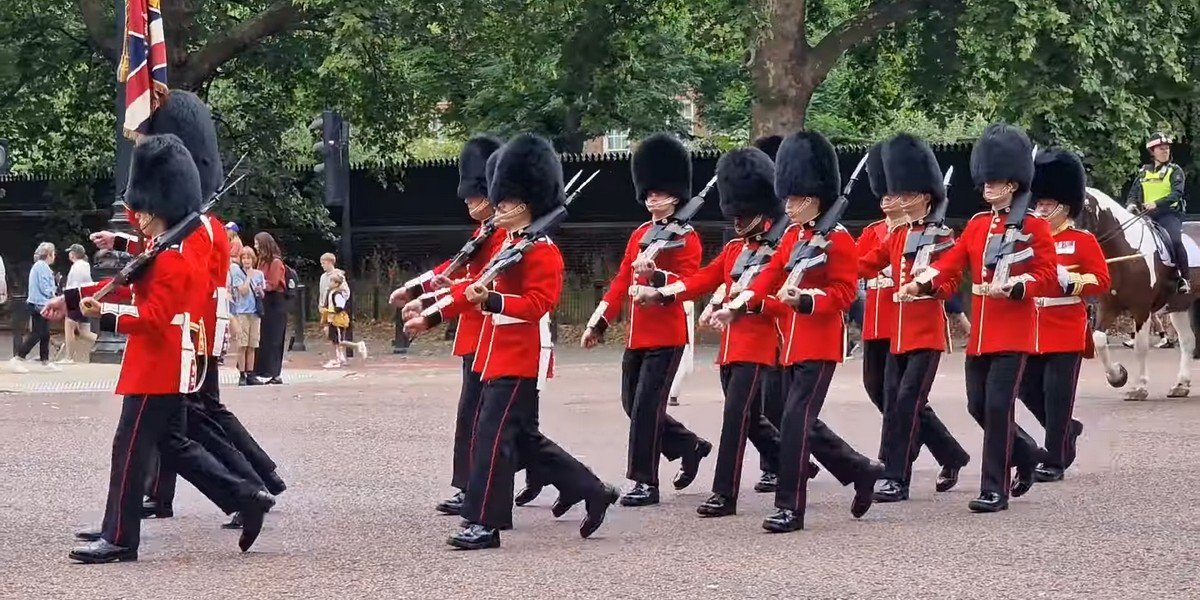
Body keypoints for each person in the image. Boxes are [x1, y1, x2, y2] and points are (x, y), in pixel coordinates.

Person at [52, 134, 275, 563]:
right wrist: (74, 300)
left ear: (156, 208)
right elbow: (127, 283)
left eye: (141, 211)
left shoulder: (174, 254)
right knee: (173, 444)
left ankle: (120, 537)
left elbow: (153, 316)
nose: (135, 218)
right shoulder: (168, 245)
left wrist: (102, 315)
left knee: (129, 449)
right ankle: (247, 497)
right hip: (164, 362)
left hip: (160, 365)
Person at [405, 133, 618, 550]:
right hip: (493, 355)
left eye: (504, 202)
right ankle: (593, 490)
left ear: (525, 203)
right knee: (522, 439)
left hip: (518, 358)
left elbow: (538, 304)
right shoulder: (509, 243)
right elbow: (472, 289)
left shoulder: (542, 251)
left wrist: (492, 300)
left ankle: (486, 523)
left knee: (492, 438)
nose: (496, 207)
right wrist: (430, 315)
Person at [719, 131, 883, 533]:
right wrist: (740, 303)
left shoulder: (839, 240)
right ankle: (859, 470)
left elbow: (844, 292)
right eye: (787, 199)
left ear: (814, 198)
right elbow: (770, 275)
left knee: (794, 422)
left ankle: (790, 507)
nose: (787, 207)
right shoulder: (792, 236)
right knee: (799, 421)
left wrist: (807, 300)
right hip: (788, 343)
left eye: (794, 200)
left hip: (820, 343)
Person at [901, 123, 1056, 513]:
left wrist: (1018, 286)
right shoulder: (977, 225)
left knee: (999, 408)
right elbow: (951, 263)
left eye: (996, 180)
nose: (987, 186)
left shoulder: (1035, 225)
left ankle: (994, 489)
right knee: (978, 406)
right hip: (982, 334)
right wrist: (922, 283)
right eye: (986, 180)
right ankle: (1027, 453)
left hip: (1014, 332)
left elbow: (1047, 274)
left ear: (1013, 184)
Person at [639, 146, 783, 518]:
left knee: (735, 419)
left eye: (744, 214)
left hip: (759, 346)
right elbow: (701, 279)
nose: (738, 220)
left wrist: (743, 306)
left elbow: (773, 298)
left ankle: (724, 493)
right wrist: (661, 289)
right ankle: (799, 462)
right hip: (730, 347)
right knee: (751, 420)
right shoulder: (735, 249)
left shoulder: (778, 251)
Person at [581, 133, 711, 508]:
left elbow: (688, 282)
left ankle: (644, 481)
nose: (653, 198)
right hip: (637, 335)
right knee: (631, 405)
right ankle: (690, 446)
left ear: (676, 196)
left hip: (667, 335)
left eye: (660, 193)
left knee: (646, 411)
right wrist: (599, 322)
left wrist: (656, 277)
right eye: (649, 193)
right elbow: (621, 280)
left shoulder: (687, 237)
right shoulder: (640, 234)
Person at [390, 135, 516, 517]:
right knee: (476, 419)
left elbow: (475, 284)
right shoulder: (485, 232)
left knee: (487, 422)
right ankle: (470, 486)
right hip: (473, 332)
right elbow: (455, 268)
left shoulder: (503, 235)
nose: (467, 200)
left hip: (490, 333)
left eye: (474, 193)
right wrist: (416, 289)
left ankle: (484, 489)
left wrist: (430, 307)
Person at [857, 133, 971, 502]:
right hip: (897, 335)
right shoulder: (897, 236)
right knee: (893, 403)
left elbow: (950, 282)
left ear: (925, 196)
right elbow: (865, 263)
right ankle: (938, 458)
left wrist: (925, 286)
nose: (900, 200)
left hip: (925, 334)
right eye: (899, 194)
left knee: (906, 402)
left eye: (908, 195)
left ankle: (896, 477)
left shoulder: (943, 236)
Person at [1021, 149, 1110, 482]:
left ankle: (1054, 460)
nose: (1041, 210)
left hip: (1065, 328)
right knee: (1027, 389)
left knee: (1057, 397)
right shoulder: (1029, 240)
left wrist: (1072, 280)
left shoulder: (1081, 241)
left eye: (1048, 205)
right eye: (1040, 204)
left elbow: (1101, 280)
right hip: (1032, 326)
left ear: (1065, 207)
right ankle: (1066, 431)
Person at [1126, 132, 1189, 293]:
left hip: (1168, 214)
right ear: (1152, 151)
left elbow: (1176, 194)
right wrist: (1131, 204)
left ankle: (1184, 278)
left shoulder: (1175, 170)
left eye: (1167, 148)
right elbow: (1133, 193)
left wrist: (1156, 203)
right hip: (1147, 216)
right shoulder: (1143, 172)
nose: (1165, 151)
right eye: (1161, 148)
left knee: (1175, 241)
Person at [10, 242, 59, 373]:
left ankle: (45, 360)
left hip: (39, 303)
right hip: (40, 304)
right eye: (53, 253)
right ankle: (18, 358)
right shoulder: (42, 266)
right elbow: (44, 287)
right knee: (37, 333)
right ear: (49, 254)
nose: (54, 256)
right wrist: (54, 294)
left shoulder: (39, 266)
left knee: (45, 333)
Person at [254, 232, 287, 384]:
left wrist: (260, 286)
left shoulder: (276, 262)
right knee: (264, 337)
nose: (255, 246)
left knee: (274, 338)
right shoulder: (262, 261)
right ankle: (264, 370)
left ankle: (275, 372)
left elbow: (273, 283)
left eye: (257, 243)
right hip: (265, 300)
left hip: (275, 302)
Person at [230, 246, 266, 384]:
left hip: (254, 312)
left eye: (249, 258)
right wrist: (248, 278)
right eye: (244, 258)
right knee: (242, 344)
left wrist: (260, 290)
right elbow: (243, 291)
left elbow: (262, 294)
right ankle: (242, 374)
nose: (246, 261)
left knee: (252, 344)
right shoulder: (238, 274)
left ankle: (251, 373)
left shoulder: (259, 274)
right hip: (242, 312)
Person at [59, 244, 98, 364]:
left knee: (69, 326)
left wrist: (64, 298)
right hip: (84, 297)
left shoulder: (76, 267)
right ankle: (101, 342)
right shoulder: (85, 265)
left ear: (73, 254)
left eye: (70, 252)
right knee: (83, 331)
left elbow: (73, 286)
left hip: (75, 297)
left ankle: (69, 357)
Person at [321, 270, 368, 367]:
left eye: (331, 281)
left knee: (340, 341)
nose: (330, 283)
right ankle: (340, 358)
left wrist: (331, 312)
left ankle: (357, 346)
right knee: (335, 340)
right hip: (332, 320)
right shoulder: (332, 292)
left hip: (337, 320)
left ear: (336, 283)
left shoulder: (337, 294)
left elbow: (340, 306)